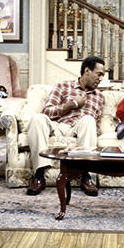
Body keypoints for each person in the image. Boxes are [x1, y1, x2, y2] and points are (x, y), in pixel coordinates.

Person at [26, 56, 106, 196]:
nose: (100, 79)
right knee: (38, 118)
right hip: (58, 126)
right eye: (99, 74)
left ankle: (85, 176)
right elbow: (48, 111)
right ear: (87, 71)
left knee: (88, 120)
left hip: (80, 128)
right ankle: (39, 175)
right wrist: (73, 104)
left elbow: (96, 123)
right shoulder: (63, 86)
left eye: (102, 76)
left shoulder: (99, 96)